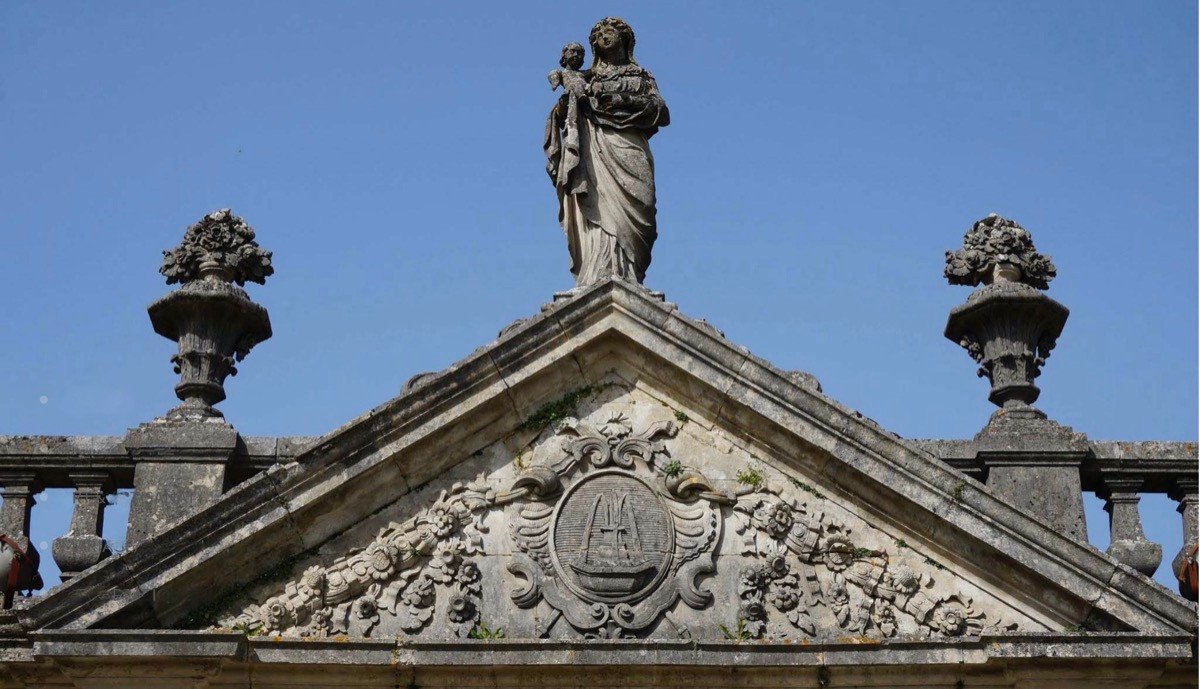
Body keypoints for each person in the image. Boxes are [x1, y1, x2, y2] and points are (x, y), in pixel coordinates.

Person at [544, 18, 670, 287]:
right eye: (598, 34)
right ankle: (599, 270)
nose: (603, 36)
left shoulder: (641, 76)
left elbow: (661, 111)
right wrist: (567, 105)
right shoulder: (587, 78)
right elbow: (564, 114)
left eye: (609, 31)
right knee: (599, 206)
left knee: (642, 209)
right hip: (596, 147)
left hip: (630, 147)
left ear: (624, 38)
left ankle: (629, 273)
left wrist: (622, 100)